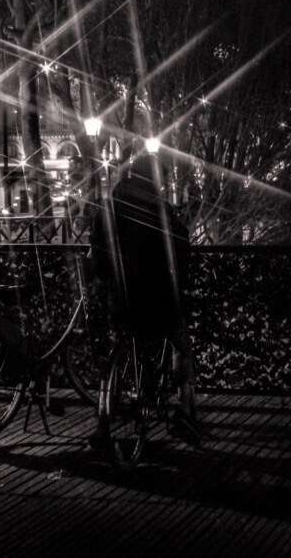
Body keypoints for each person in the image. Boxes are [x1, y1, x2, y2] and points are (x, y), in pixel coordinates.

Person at [91, 153, 201, 445]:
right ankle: (184, 410)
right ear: (156, 180)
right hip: (157, 301)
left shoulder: (108, 207)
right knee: (181, 343)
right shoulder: (162, 211)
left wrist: (106, 281)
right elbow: (180, 250)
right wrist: (179, 283)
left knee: (114, 351)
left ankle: (102, 423)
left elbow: (97, 250)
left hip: (120, 300)